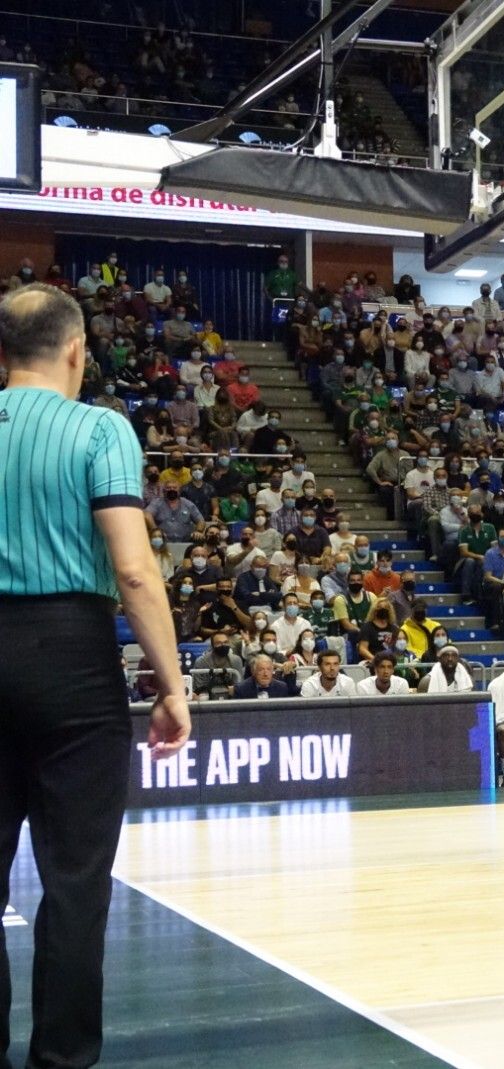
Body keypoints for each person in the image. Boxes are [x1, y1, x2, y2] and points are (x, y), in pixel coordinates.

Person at [0, 284, 191, 1069]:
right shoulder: (99, 429)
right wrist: (172, 685)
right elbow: (134, 569)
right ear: (76, 350)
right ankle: (61, 1060)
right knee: (76, 885)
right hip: (72, 660)